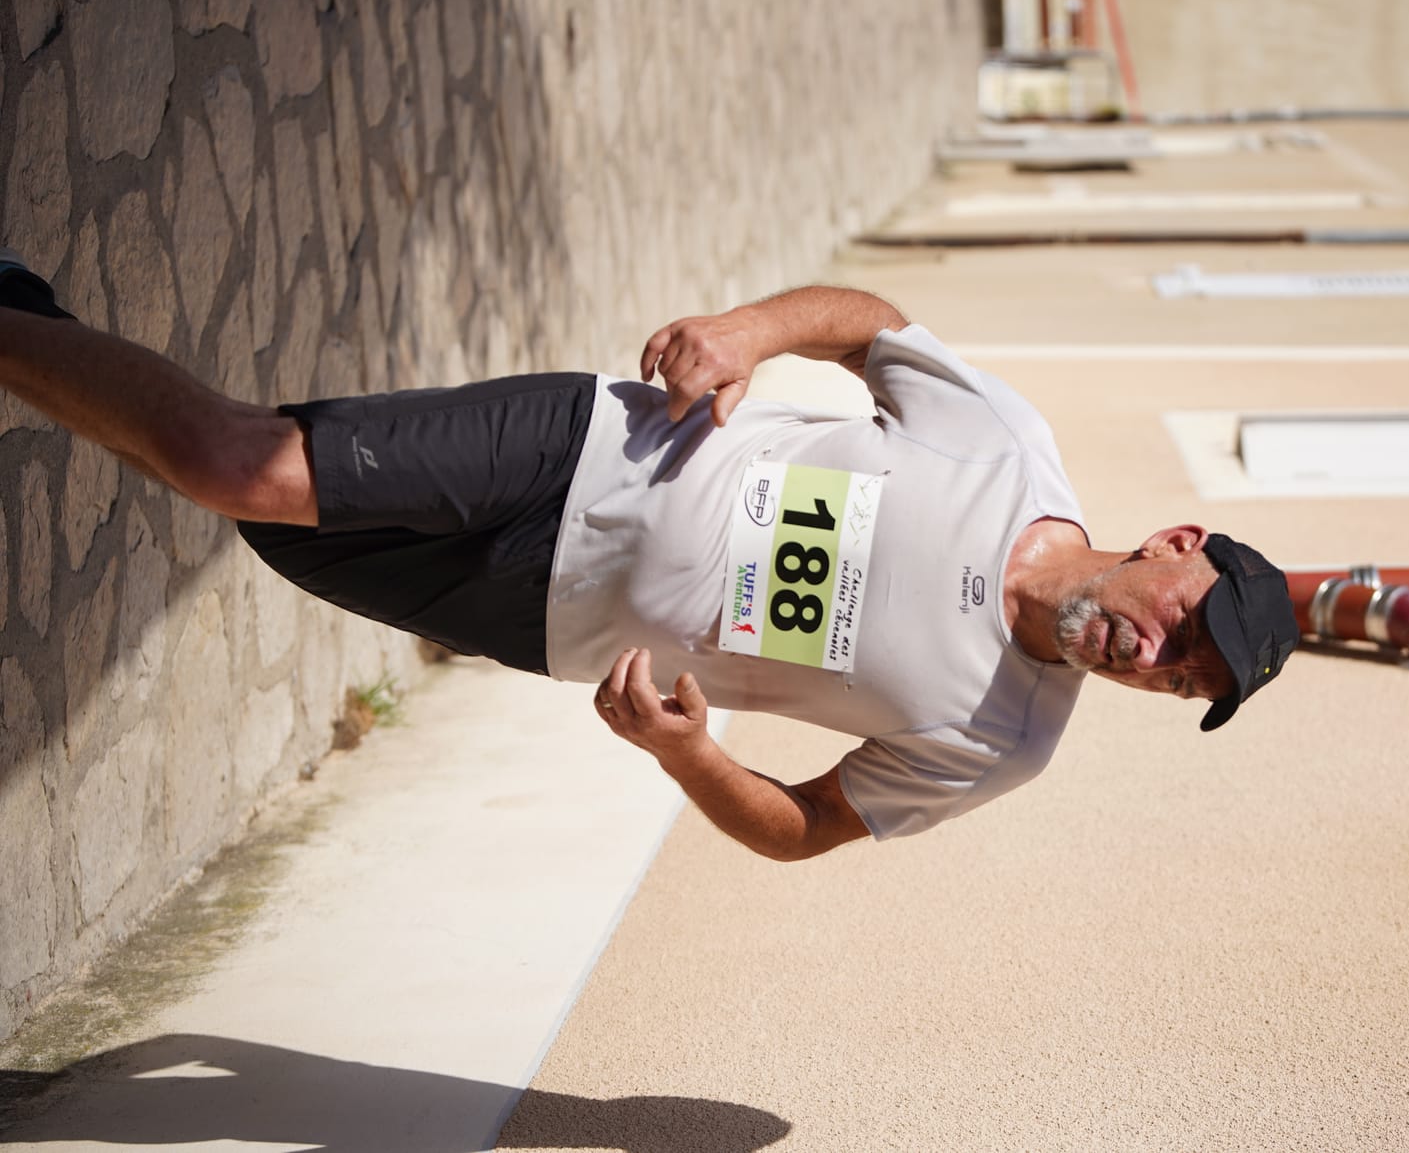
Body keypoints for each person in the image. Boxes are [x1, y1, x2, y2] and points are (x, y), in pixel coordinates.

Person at [0, 251, 1299, 860]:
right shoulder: (1009, 446)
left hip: (545, 617)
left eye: (1183, 684)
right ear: (1176, 543)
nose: (1159, 660)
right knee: (247, 466)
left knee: (257, 511)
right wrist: (746, 331)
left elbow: (809, 828)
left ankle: (36, 326)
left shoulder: (1002, 740)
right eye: (1188, 628)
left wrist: (687, 752)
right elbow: (871, 325)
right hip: (588, 451)